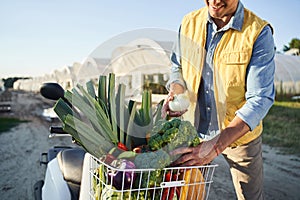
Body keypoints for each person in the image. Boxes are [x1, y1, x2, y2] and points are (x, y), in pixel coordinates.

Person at [163, 0, 275, 199]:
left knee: (249, 196)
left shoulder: (258, 31)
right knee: (185, 193)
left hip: (239, 136)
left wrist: (215, 146)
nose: (215, 1)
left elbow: (260, 98)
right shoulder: (189, 23)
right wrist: (176, 91)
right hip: (194, 130)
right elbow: (177, 67)